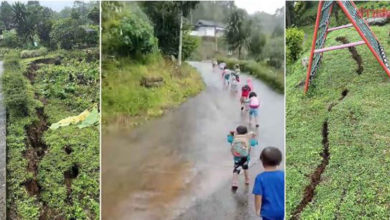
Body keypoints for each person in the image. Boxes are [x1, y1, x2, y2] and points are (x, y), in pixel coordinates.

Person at [253, 147, 284, 220]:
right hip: (282, 210)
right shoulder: (283, 175)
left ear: (262, 161)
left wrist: (258, 210)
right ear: (279, 162)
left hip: (268, 212)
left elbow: (258, 196)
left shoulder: (260, 178)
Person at [227, 125, 258, 191]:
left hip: (236, 158)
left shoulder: (234, 138)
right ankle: (247, 180)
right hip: (245, 158)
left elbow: (228, 139)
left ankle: (234, 183)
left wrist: (230, 134)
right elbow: (255, 143)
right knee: (245, 168)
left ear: (237, 132)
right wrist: (253, 137)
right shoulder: (248, 139)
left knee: (236, 169)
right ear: (246, 133)